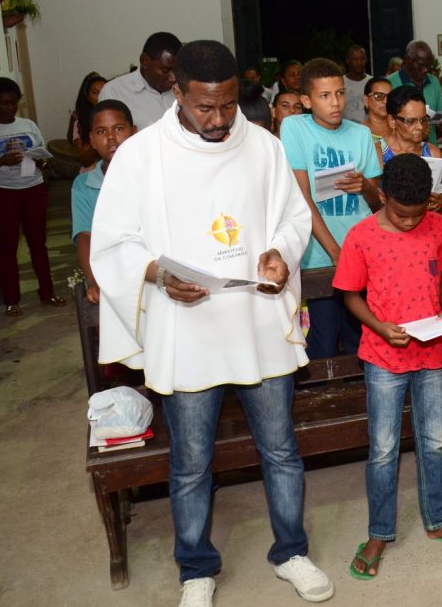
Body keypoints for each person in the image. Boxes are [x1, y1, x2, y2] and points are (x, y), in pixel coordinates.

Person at [89, 40, 333, 605]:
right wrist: (154, 272)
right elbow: (113, 241)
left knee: (279, 449)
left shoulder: (264, 146)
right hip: (188, 328)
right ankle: (196, 568)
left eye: (227, 105)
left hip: (256, 320)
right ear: (177, 92)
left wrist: (280, 252)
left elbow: (295, 218)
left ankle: (291, 551)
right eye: (205, 108)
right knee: (192, 462)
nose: (219, 120)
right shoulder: (141, 155)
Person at [333, 153, 442, 579]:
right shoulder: (361, 237)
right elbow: (350, 295)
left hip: (431, 350)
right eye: (400, 214)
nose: (408, 222)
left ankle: (438, 520)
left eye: (417, 214)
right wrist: (381, 327)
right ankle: (380, 531)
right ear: (382, 197)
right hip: (383, 354)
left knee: (433, 438)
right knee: (383, 448)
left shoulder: (437, 225)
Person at [281, 58, 382, 360]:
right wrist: (337, 252)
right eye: (324, 96)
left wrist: (365, 186)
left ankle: (359, 404)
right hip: (320, 254)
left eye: (339, 93)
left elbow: (377, 202)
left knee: (359, 338)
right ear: (306, 100)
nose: (335, 103)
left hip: (361, 249)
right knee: (324, 340)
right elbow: (301, 198)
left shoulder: (360, 134)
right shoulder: (295, 127)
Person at [0, 77, 65, 317]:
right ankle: (12, 300)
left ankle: (47, 293)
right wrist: (3, 160)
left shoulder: (29, 125)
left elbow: (43, 159)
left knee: (38, 245)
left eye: (14, 103)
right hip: (3, 194)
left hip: (33, 189)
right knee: (7, 247)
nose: (10, 108)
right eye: (4, 103)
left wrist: (40, 160)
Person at [72, 99, 136, 304]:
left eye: (118, 128)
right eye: (101, 132)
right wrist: (93, 281)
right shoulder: (84, 185)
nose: (111, 138)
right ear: (91, 139)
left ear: (134, 132)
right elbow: (84, 237)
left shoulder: (154, 174)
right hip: (112, 273)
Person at [376, 85, 442, 220]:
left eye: (423, 120)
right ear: (392, 121)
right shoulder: (378, 153)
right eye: (411, 121)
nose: (419, 127)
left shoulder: (432, 153)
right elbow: (373, 205)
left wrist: (441, 204)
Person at [99, 31, 181, 129]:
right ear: (144, 61)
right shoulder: (114, 92)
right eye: (165, 70)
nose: (173, 78)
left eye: (177, 70)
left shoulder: (185, 89)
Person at [389, 40, 442, 143]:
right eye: (421, 65)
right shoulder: (390, 83)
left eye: (428, 65)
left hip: (431, 150)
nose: (425, 70)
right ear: (407, 60)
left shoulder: (433, 82)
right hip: (401, 151)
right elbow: (386, 123)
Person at [67, 72, 107, 168]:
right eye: (95, 93)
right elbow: (86, 161)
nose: (100, 96)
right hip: (91, 174)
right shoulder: (80, 122)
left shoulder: (121, 119)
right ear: (88, 97)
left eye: (103, 91)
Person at [342, 45, 372, 125]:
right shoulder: (340, 83)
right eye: (355, 59)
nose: (359, 63)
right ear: (347, 61)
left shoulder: (372, 82)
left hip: (368, 130)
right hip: (346, 130)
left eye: (362, 59)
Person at [361, 76, 394, 140]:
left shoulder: (401, 128)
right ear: (366, 100)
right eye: (379, 96)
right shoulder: (359, 133)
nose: (386, 101)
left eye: (390, 96)